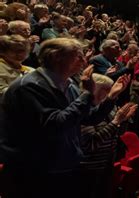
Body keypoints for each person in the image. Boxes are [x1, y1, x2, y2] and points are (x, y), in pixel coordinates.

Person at [0, 38, 94, 198]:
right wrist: (86, 95)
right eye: (78, 56)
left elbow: (84, 118)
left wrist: (111, 99)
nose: (84, 61)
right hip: (34, 173)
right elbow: (55, 124)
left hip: (60, 167)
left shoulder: (68, 84)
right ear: (57, 57)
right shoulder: (30, 86)